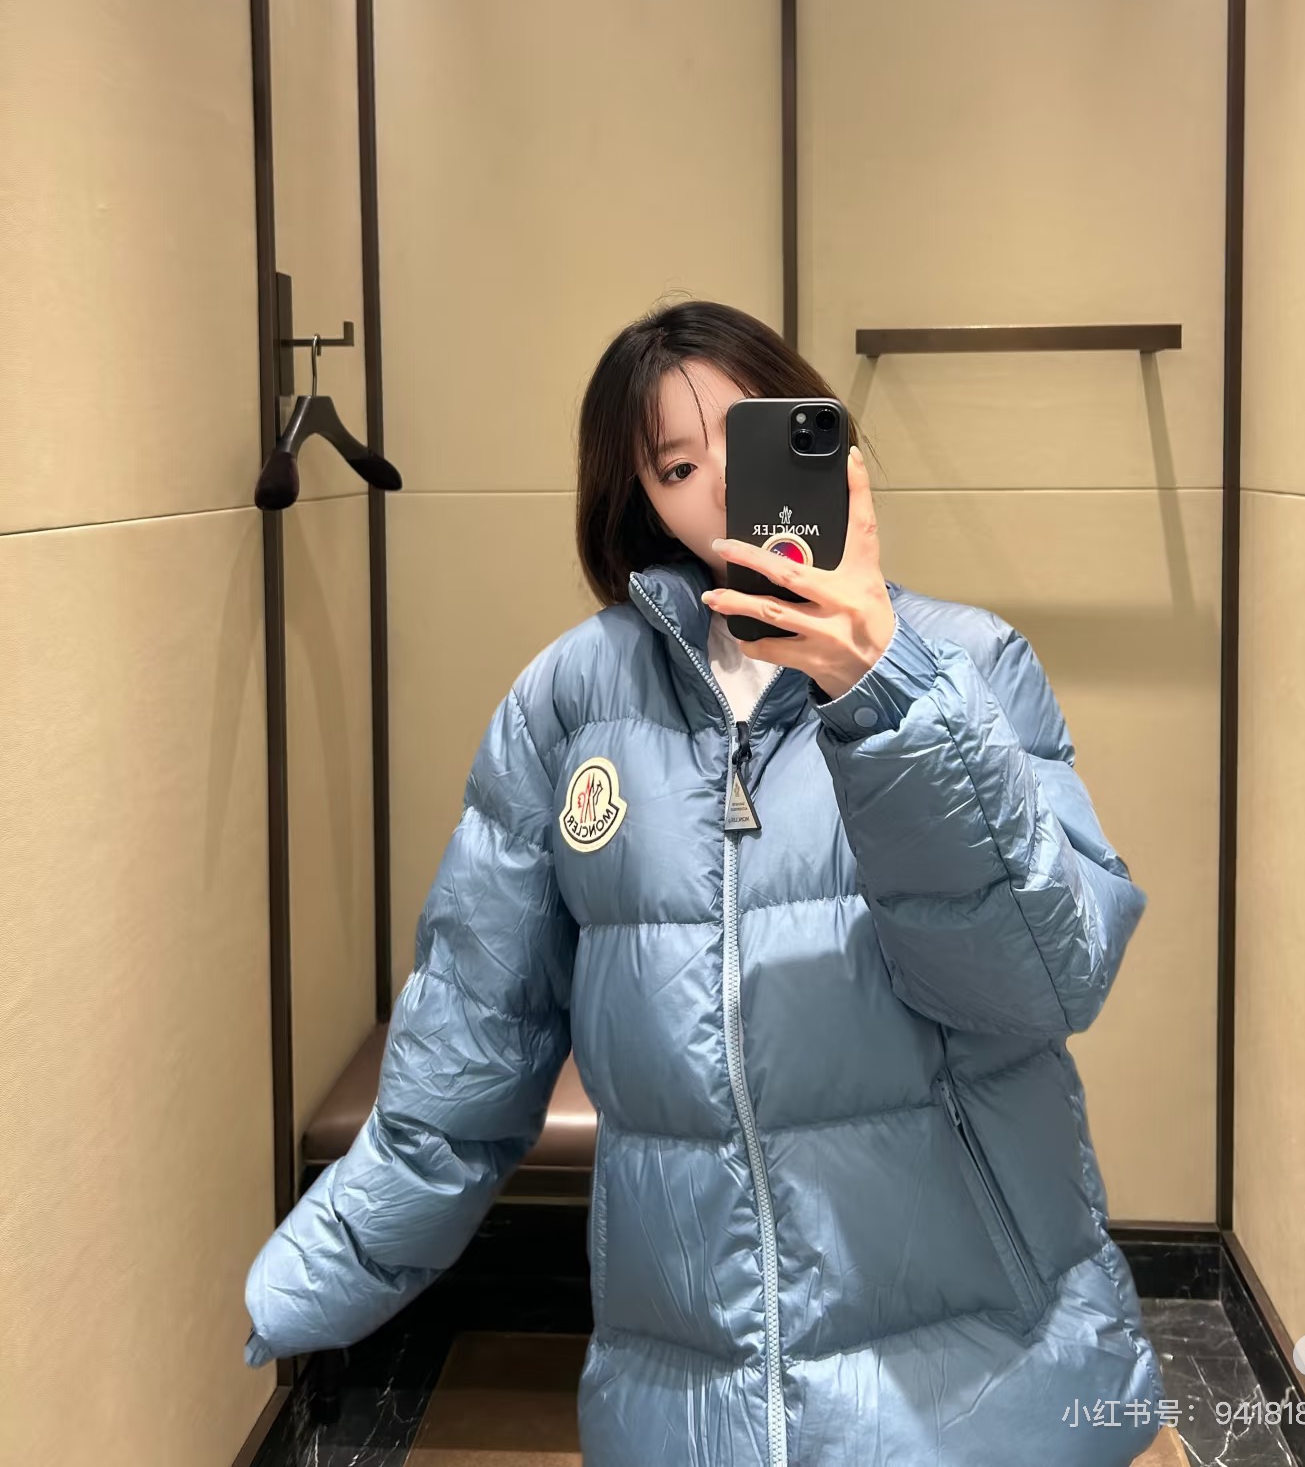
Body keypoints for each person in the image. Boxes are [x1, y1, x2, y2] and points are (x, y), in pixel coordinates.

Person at [244, 297, 1165, 1464]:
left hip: (980, 1379)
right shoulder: (571, 700)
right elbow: (478, 1019)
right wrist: (325, 1264)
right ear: (640, 499)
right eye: (678, 465)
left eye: (751, 437)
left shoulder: (969, 665)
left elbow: (1042, 982)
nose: (724, 484)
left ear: (819, 438)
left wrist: (884, 689)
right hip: (687, 1387)